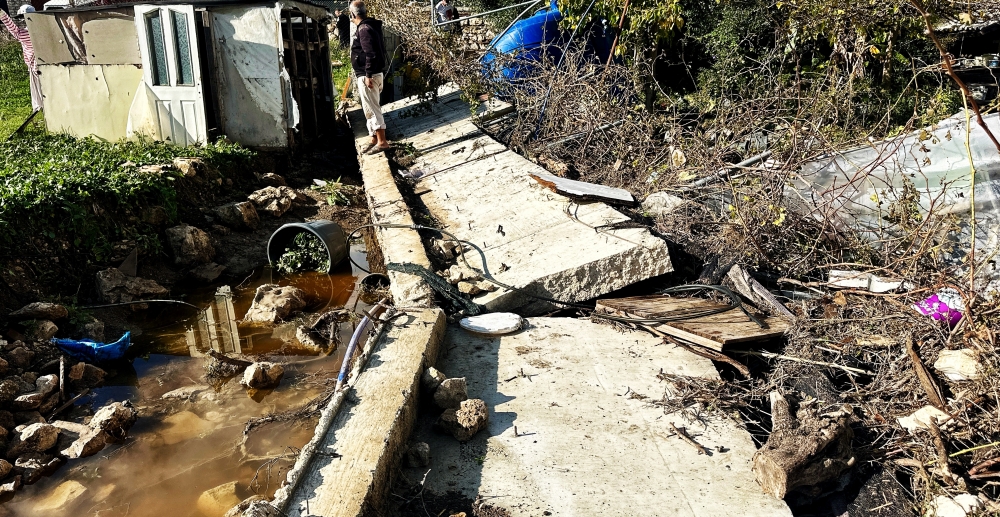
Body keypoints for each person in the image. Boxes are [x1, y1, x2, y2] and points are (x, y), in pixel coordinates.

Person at [350, 0, 390, 155]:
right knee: (368, 109)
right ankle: (374, 138)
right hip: (370, 74)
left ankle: (382, 142)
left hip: (369, 75)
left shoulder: (364, 29)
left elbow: (370, 54)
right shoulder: (369, 26)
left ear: (353, 14)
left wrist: (367, 75)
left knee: (373, 109)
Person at [1, 5, 42, 112]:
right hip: (48, 63)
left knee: (37, 90)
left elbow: (12, 28)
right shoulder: (43, 30)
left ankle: (39, 108)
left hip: (34, 65)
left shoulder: (24, 33)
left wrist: (2, 14)